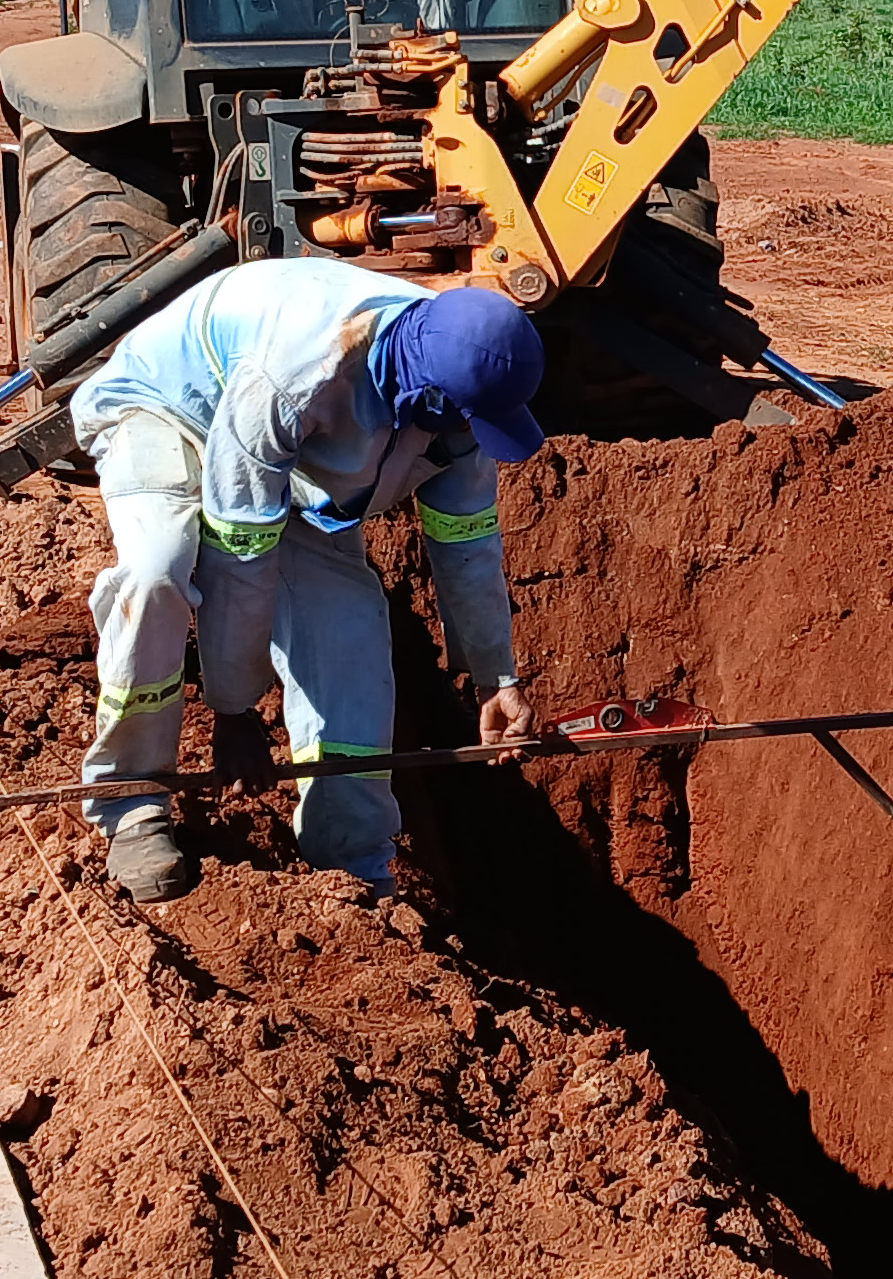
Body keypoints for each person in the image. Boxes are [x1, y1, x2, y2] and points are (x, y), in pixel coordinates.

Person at [69, 256, 547, 902]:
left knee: (347, 629)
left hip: (292, 457)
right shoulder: (298, 373)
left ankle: (353, 859)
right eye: (465, 420)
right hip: (171, 409)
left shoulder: (461, 401)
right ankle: (132, 803)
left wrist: (496, 677)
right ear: (425, 399)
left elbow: (467, 546)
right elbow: (240, 558)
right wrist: (233, 711)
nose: (471, 434)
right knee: (157, 570)